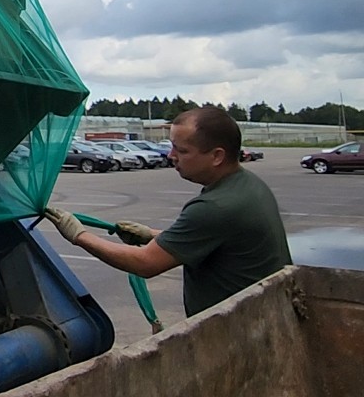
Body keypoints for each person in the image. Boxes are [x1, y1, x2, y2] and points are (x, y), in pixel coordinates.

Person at [45, 106, 291, 317]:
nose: (170, 156)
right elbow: (213, 240)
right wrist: (152, 235)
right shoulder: (247, 185)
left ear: (217, 156)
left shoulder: (215, 207)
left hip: (236, 331)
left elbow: (145, 264)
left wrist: (79, 236)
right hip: (264, 312)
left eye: (181, 151)